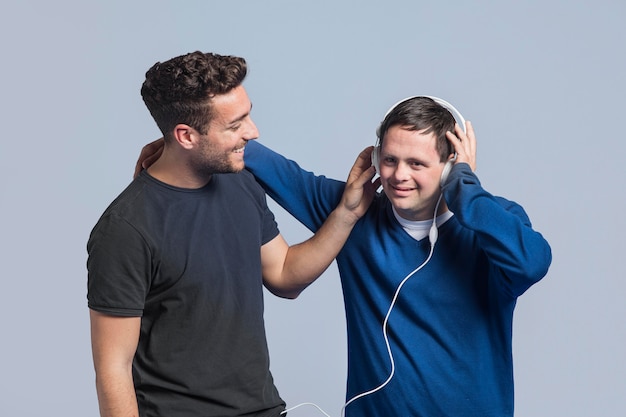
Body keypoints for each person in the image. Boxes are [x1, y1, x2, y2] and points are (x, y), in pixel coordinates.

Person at [136, 96, 552, 416]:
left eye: (417, 163)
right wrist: (187, 141)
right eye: (389, 159)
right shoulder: (355, 211)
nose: (399, 175)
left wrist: (465, 188)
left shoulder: (493, 223)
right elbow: (274, 169)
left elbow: (531, 262)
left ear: (449, 166)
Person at [87, 51, 376, 417]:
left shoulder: (239, 183)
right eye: (235, 124)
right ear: (185, 135)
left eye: (249, 114)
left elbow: (285, 275)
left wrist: (347, 213)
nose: (252, 132)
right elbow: (113, 368)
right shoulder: (126, 228)